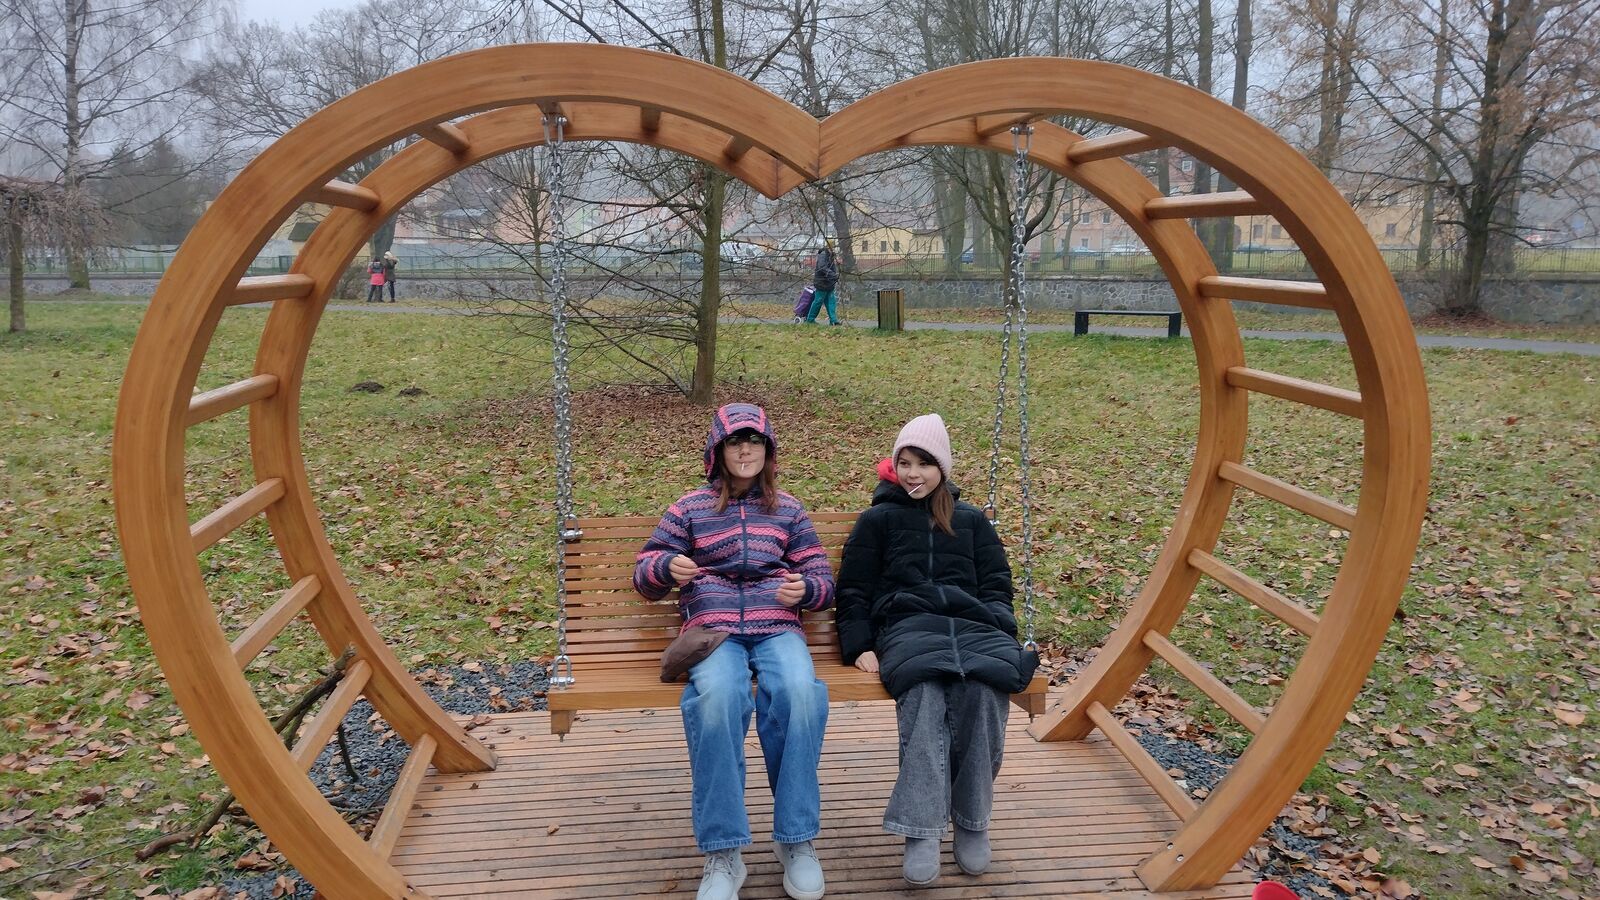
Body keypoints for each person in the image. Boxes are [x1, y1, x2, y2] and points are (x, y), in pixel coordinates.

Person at [634, 403, 835, 900]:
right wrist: (666, 567)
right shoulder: (689, 508)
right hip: (713, 631)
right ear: (717, 451)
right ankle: (723, 852)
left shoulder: (788, 510)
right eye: (734, 441)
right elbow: (645, 573)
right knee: (718, 700)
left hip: (777, 627)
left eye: (755, 441)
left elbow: (822, 580)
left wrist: (805, 590)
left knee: (799, 694)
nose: (745, 449)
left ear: (768, 450)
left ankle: (796, 839)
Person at [835, 413, 1039, 887]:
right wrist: (860, 644)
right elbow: (854, 589)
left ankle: (972, 820)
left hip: (973, 625)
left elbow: (996, 584)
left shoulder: (970, 521)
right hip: (908, 625)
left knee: (985, 694)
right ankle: (922, 829)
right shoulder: (878, 520)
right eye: (904, 463)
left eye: (924, 464)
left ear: (941, 468)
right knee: (925, 698)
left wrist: (1001, 625)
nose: (913, 474)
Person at [804, 246, 840, 325]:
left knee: (831, 302)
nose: (834, 249)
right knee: (818, 302)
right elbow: (822, 267)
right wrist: (833, 275)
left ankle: (833, 320)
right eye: (833, 247)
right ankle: (810, 320)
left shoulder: (831, 256)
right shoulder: (823, 255)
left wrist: (834, 276)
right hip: (822, 283)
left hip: (829, 283)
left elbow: (832, 268)